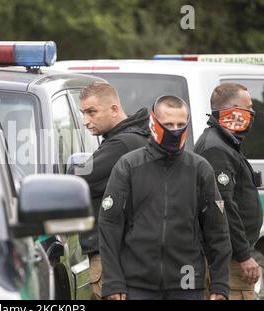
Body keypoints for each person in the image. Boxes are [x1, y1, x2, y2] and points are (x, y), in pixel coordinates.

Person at [99, 95, 232, 300]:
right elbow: (109, 225)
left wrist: (220, 284)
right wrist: (113, 282)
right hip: (136, 284)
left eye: (181, 124)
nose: (175, 129)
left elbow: (217, 229)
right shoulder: (129, 165)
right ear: (154, 122)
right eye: (168, 124)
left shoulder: (199, 169)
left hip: (186, 282)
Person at [70, 82, 150, 300]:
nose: (85, 121)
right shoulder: (136, 138)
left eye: (91, 112)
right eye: (83, 113)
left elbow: (74, 182)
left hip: (112, 260)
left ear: (114, 109)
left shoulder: (120, 146)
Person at [194, 83, 263, 300]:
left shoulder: (225, 143)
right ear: (233, 110)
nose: (252, 113)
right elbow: (222, 208)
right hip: (229, 260)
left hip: (232, 255)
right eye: (248, 108)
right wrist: (244, 255)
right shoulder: (216, 148)